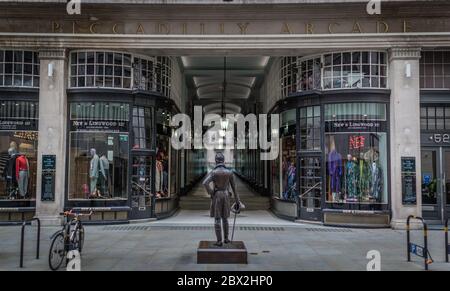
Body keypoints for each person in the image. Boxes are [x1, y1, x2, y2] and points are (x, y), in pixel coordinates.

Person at [202, 152, 243, 247]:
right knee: (225, 218)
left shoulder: (213, 172)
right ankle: (226, 239)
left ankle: (219, 241)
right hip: (226, 195)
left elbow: (205, 183)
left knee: (217, 219)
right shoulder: (229, 173)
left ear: (216, 161)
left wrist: (211, 192)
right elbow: (234, 188)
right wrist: (237, 201)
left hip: (217, 196)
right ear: (223, 161)